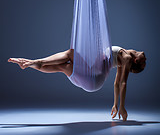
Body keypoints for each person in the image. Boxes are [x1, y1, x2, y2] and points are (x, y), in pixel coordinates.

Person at [8, 46, 146, 121]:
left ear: (136, 61)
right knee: (63, 66)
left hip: (94, 77)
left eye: (144, 61)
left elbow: (122, 83)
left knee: (70, 53)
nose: (145, 56)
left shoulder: (127, 58)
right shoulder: (125, 55)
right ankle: (29, 64)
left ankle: (36, 62)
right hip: (92, 76)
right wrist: (115, 105)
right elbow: (116, 84)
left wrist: (122, 106)